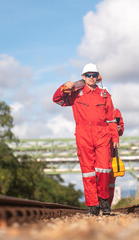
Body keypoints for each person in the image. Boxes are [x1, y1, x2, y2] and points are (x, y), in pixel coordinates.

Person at [53, 63, 119, 216]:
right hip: (83, 135)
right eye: (88, 75)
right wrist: (64, 86)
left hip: (102, 135)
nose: (91, 77)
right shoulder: (75, 93)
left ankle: (104, 200)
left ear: (98, 77)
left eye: (94, 75)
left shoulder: (104, 95)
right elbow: (57, 99)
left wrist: (115, 137)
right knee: (88, 172)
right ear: (83, 77)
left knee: (104, 169)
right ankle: (93, 206)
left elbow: (110, 119)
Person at [108, 108, 124, 206]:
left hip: (112, 149)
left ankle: (107, 205)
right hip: (97, 147)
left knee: (111, 180)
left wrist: (119, 129)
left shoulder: (115, 111)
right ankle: (95, 205)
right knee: (96, 177)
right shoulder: (92, 108)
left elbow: (121, 129)